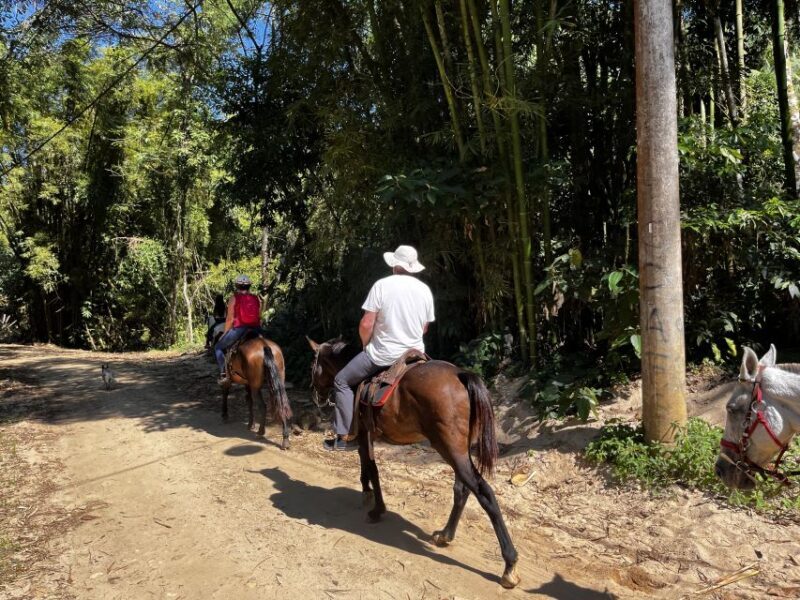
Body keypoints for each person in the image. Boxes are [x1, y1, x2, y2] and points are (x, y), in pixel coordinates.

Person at [323, 245, 435, 451]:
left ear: (395, 265)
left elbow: (366, 324)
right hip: (414, 354)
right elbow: (424, 327)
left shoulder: (382, 285)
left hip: (383, 354)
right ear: (412, 267)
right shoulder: (424, 290)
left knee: (341, 381)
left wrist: (366, 345)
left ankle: (344, 437)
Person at [215, 275, 264, 385]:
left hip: (240, 329)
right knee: (268, 347)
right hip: (256, 328)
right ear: (249, 286)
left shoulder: (234, 298)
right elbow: (259, 316)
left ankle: (223, 373)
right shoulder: (256, 298)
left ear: (237, 286)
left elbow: (230, 319)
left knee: (218, 347)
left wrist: (225, 333)